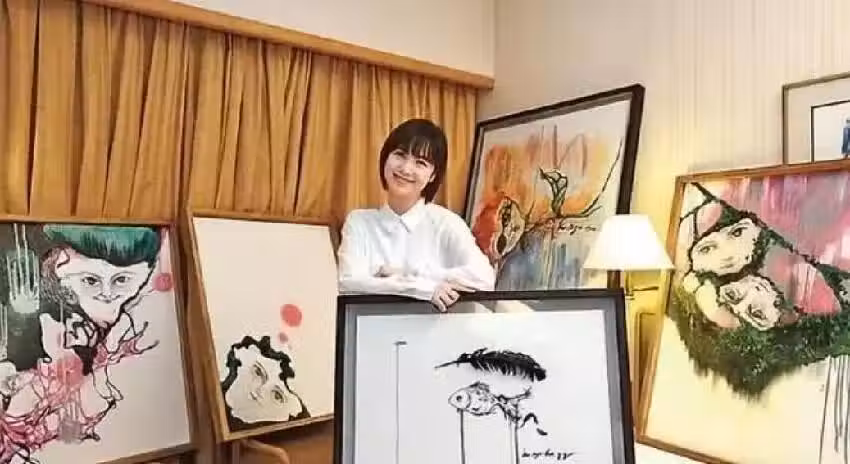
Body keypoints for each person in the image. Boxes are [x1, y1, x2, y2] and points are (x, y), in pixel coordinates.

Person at [337, 118, 495, 312]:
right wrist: (421, 289)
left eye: (420, 162)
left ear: (433, 175)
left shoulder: (447, 223)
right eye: (400, 155)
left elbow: (484, 279)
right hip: (367, 328)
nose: (406, 169)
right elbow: (348, 283)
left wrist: (407, 272)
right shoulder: (359, 222)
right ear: (385, 158)